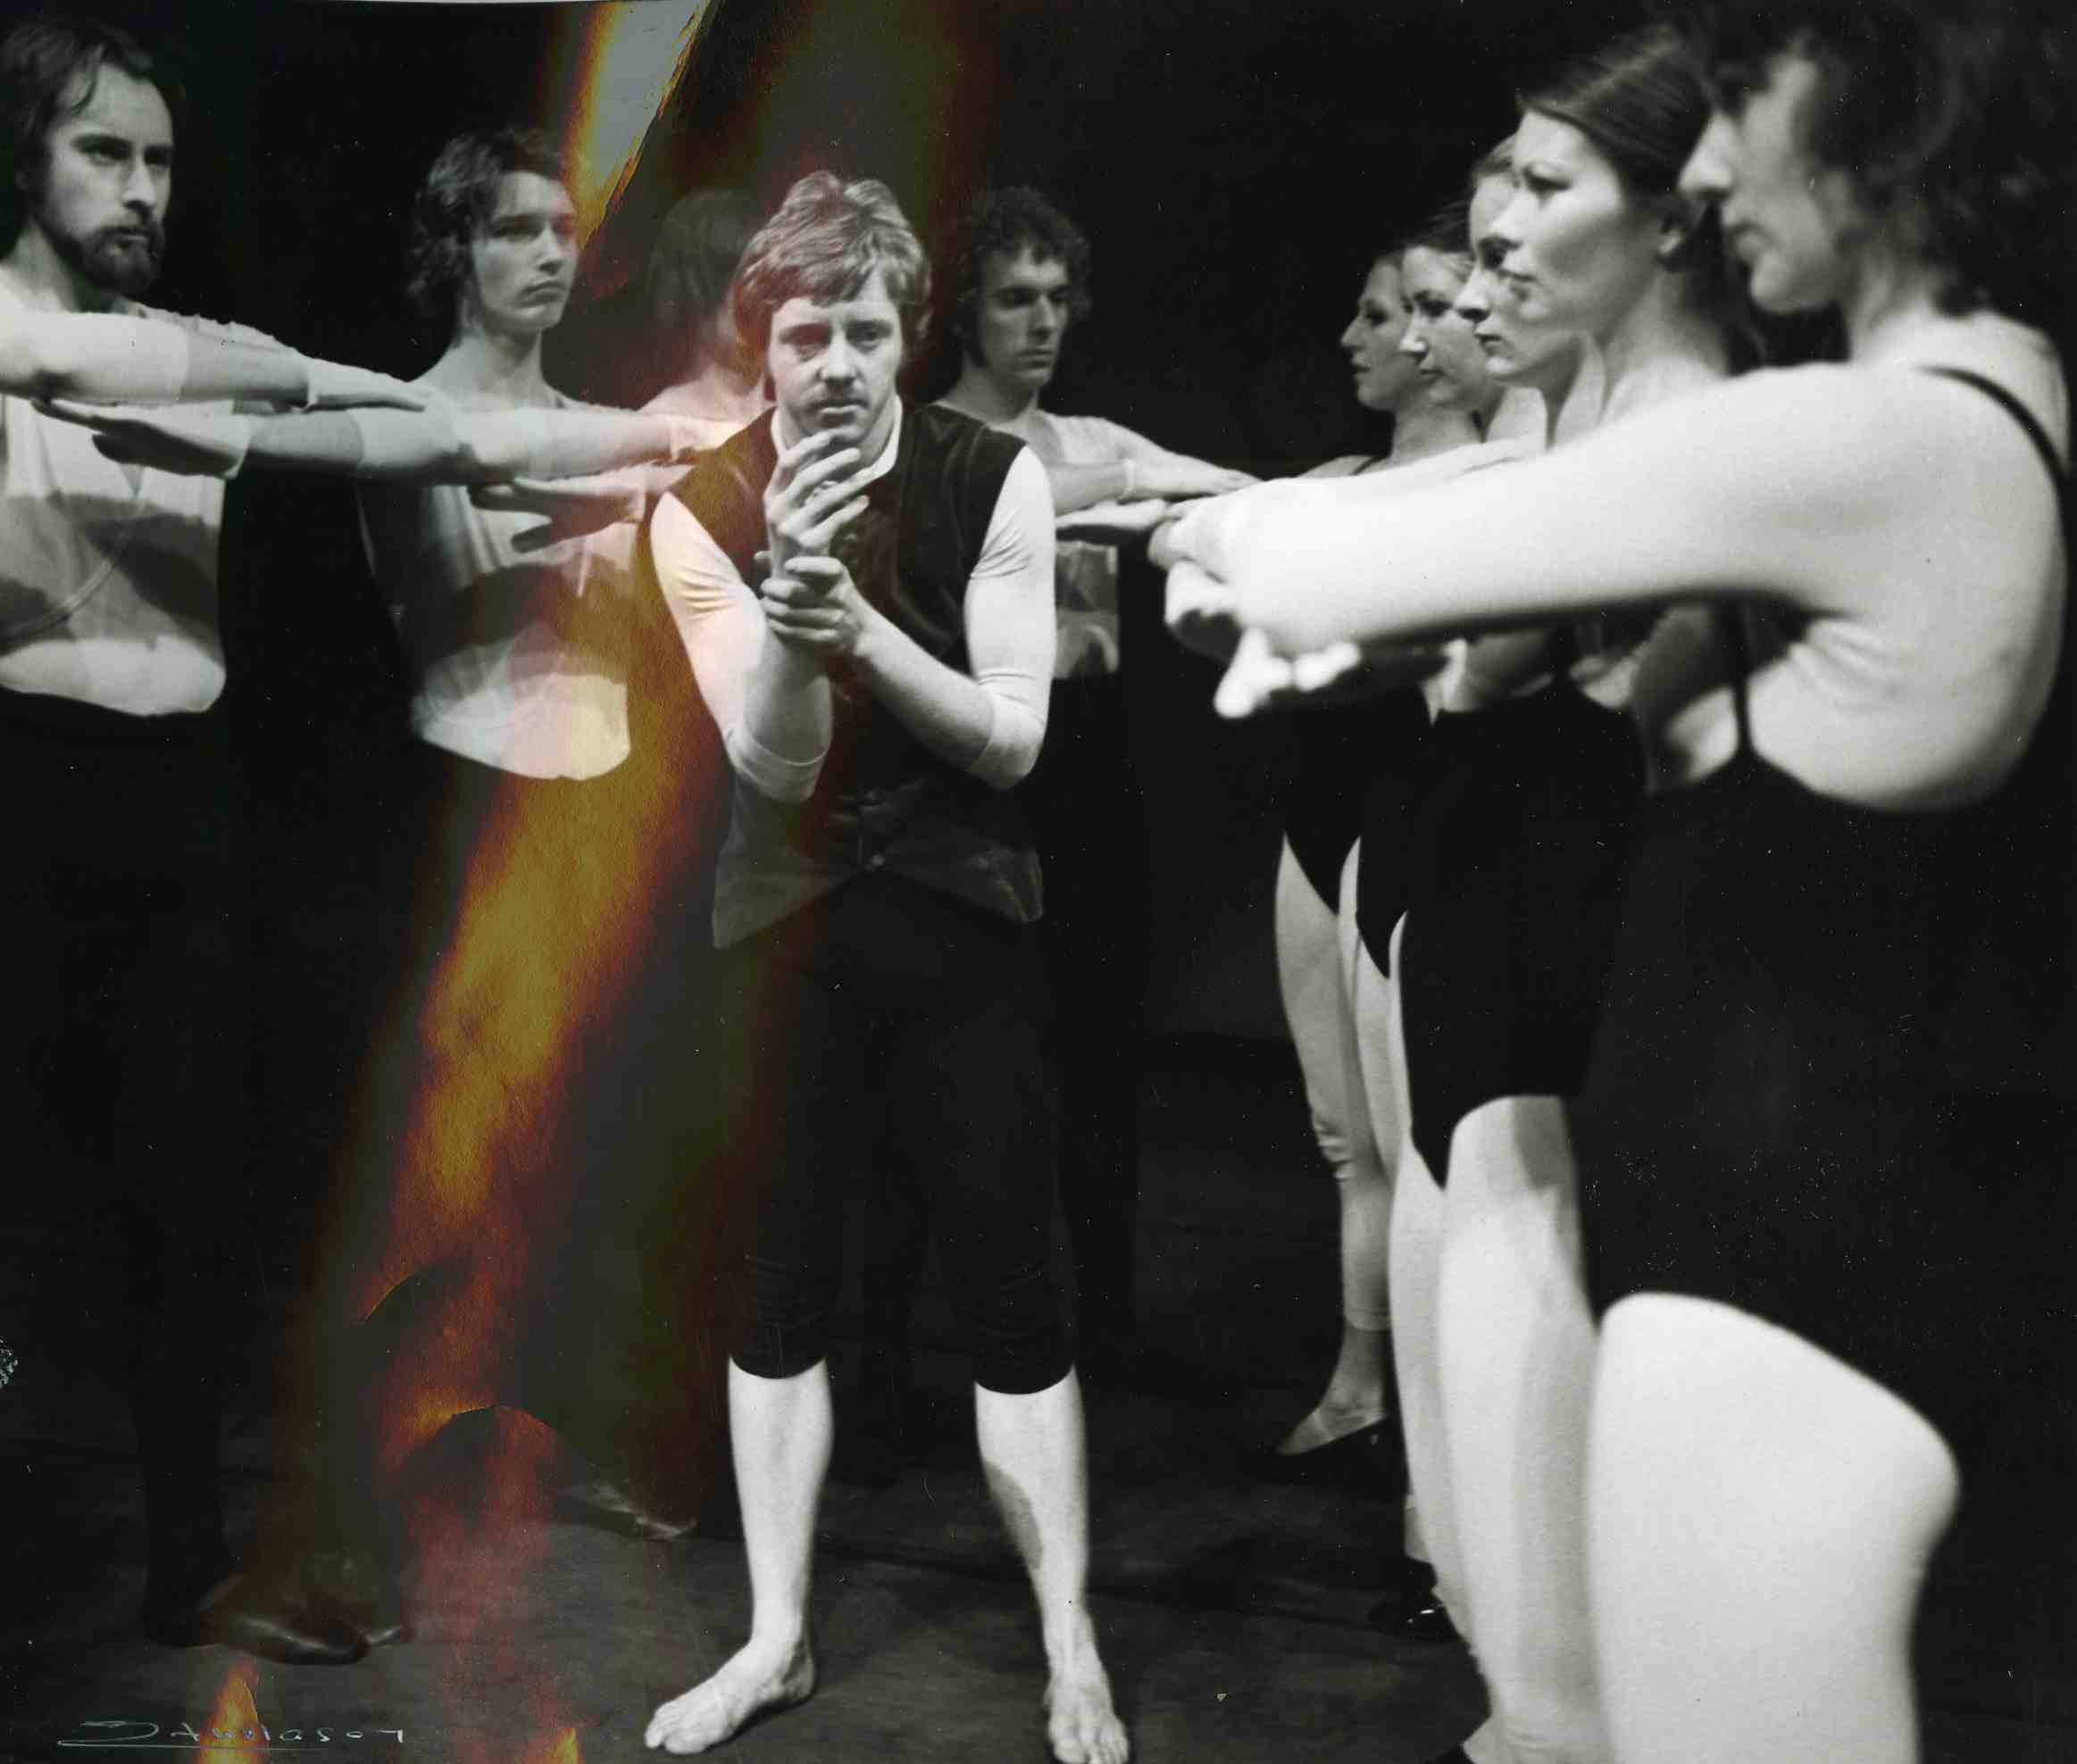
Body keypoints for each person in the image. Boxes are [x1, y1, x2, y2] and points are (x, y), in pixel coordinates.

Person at [1157, 0, 2073, 1753]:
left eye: (1739, 98)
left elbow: (1313, 569)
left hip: (1777, 1293)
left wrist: (1236, 542)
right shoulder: (1974, 405)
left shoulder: (1880, 437)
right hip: (1768, 1256)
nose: (1708, 166)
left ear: (1885, 89)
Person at [645, 171, 1128, 1764]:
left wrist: (851, 622)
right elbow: (774, 770)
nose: (840, 362)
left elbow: (1011, 741)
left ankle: (1068, 1639)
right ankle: (775, 1637)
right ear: (763, 348)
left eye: (865, 329)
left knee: (1014, 1290)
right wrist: (795, 619)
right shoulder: (700, 508)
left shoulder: (992, 477)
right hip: (783, 925)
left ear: (907, 333)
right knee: (780, 1289)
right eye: (808, 335)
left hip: (963, 914)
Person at [0, 11, 431, 1668]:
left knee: (184, 1204)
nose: (141, 188)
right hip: (21, 797)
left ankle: (191, 1566)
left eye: (161, 159)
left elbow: (412, 415)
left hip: (179, 807)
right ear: (25, 154)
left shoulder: (203, 343)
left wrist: (606, 446)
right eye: (103, 151)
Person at [932, 186, 1254, 1385]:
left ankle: (1108, 1325)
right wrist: (1115, 486)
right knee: (969, 1070)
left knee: (1102, 1058)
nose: (1042, 322)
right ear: (964, 312)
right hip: (973, 771)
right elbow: (1002, 491)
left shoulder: (1090, 437)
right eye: (1015, 299)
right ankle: (944, 1350)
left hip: (1090, 768)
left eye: (1058, 299)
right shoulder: (929, 440)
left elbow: (1226, 487)